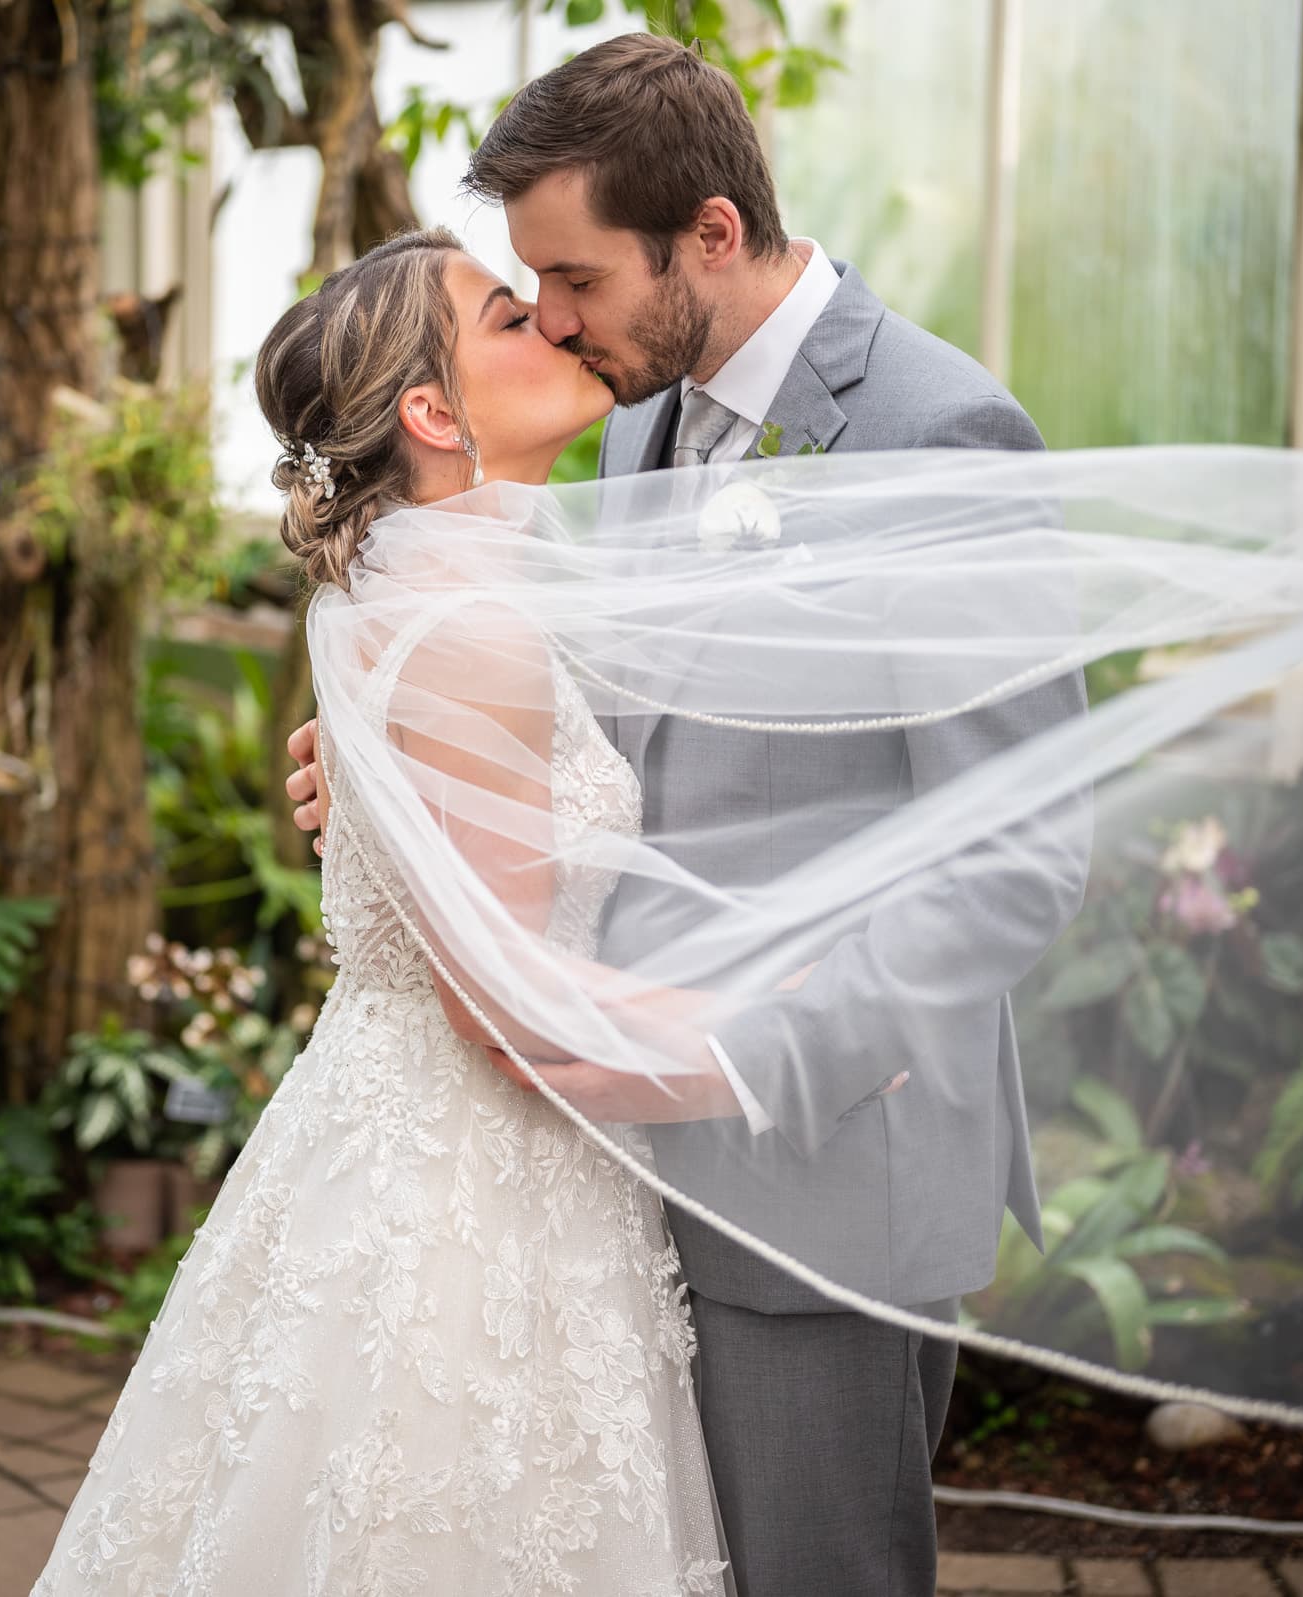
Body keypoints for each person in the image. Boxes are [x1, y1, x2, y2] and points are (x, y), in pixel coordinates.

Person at [285, 35, 1086, 1595]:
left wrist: (736, 1053)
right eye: (531, 292)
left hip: (812, 1163)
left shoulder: (938, 434)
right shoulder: (637, 410)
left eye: (572, 278)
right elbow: (593, 709)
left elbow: (1018, 854)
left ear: (709, 234)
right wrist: (390, 759)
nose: (557, 321)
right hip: (601, 1166)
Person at [29, 226, 733, 1596]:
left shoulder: (418, 584)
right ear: (429, 411)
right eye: (506, 317)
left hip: (416, 1129)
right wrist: (772, 1047)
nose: (554, 319)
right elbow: (507, 1004)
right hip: (475, 1171)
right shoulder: (468, 621)